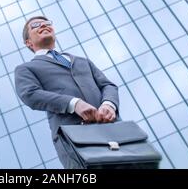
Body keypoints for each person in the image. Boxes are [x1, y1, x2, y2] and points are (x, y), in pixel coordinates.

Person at [14, 15, 119, 169]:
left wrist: (109, 104)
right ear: (28, 42)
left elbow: (108, 85)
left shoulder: (82, 61)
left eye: (47, 23)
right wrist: (73, 103)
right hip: (74, 138)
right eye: (36, 25)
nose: (44, 25)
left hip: (113, 132)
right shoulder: (25, 69)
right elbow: (30, 94)